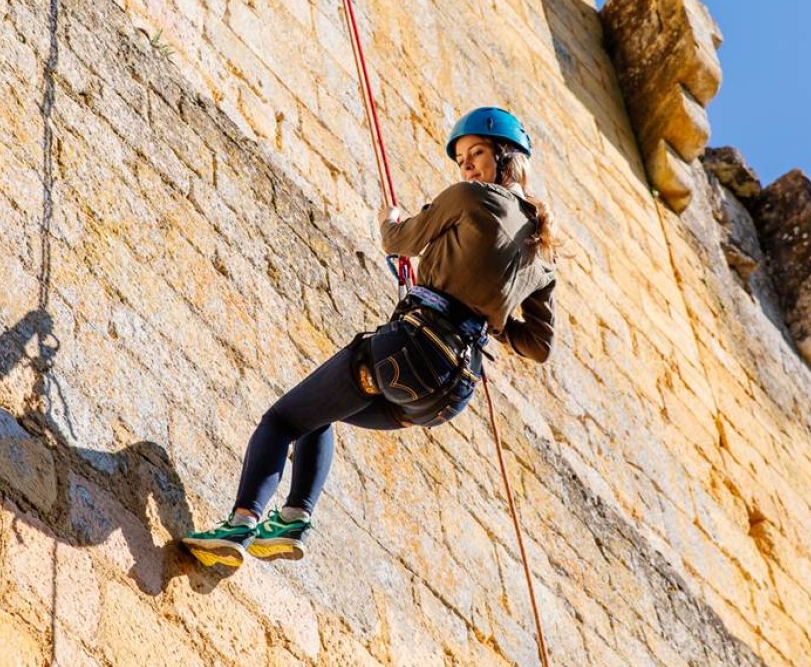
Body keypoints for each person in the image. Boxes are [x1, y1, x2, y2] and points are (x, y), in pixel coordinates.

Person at [180, 107, 558, 568]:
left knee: (281, 421)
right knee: (320, 415)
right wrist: (493, 318)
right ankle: (294, 519)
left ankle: (241, 524)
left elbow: (398, 241)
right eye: (462, 159)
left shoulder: (471, 197)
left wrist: (390, 220)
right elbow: (538, 346)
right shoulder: (541, 256)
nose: (467, 166)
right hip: (446, 395)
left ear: (506, 158)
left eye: (476, 153)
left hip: (409, 351)